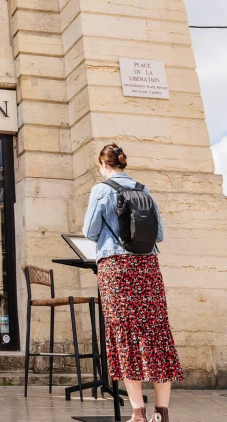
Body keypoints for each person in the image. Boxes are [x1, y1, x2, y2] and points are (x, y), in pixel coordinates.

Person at [83, 144, 183, 422]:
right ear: (123, 163)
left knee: (123, 335)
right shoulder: (144, 189)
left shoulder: (101, 190)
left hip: (116, 269)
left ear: (103, 165)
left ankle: (138, 412)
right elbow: (159, 234)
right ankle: (161, 414)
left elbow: (90, 232)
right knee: (156, 334)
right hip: (148, 268)